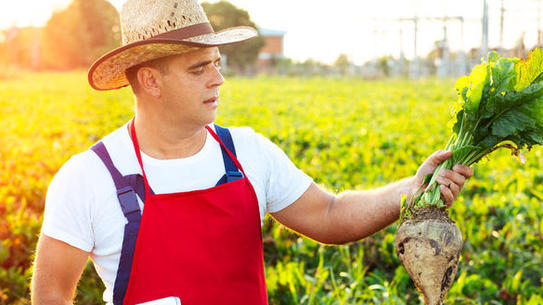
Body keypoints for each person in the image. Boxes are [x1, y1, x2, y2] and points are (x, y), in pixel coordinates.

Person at [31, 0, 474, 304]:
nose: (218, 79)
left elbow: (329, 214)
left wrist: (413, 188)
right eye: (199, 68)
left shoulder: (246, 152)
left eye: (218, 65)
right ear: (150, 81)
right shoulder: (89, 178)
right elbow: (51, 296)